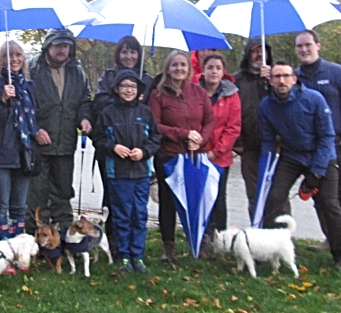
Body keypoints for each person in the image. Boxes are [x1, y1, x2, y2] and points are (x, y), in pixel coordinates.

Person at [259, 61, 341, 271]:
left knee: (330, 204)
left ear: (294, 78)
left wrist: (316, 173)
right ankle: (266, 248)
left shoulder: (314, 99)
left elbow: (327, 136)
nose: (281, 81)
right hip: (292, 156)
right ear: (271, 80)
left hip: (322, 155)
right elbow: (268, 141)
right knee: (274, 196)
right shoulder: (266, 105)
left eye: (285, 76)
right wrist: (266, 167)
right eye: (277, 77)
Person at [91, 70, 161, 274]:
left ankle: (137, 255)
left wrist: (144, 152)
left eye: (132, 86)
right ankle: (123, 255)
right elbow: (98, 138)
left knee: (139, 215)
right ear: (116, 89)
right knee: (122, 215)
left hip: (141, 172)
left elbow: (156, 138)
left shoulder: (145, 112)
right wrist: (113, 148)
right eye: (124, 86)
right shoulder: (108, 113)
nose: (128, 90)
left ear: (139, 90)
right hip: (118, 173)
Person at [148, 50, 215, 263]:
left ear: (189, 68)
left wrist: (201, 139)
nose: (179, 69)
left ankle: (199, 243)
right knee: (168, 202)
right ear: (167, 68)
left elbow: (210, 121)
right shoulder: (157, 95)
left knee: (197, 199)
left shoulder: (199, 92)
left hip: (195, 155)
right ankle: (168, 246)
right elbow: (155, 125)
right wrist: (183, 134)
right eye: (174, 65)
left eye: (183, 65)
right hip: (169, 156)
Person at [294, 30, 341, 254]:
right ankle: (330, 238)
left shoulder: (337, 72)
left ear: (318, 46)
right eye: (299, 46)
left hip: (340, 143)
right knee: (319, 194)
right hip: (312, 148)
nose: (304, 50)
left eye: (308, 45)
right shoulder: (295, 77)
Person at [25, 28, 92, 233]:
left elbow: (85, 99)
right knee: (38, 194)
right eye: (58, 45)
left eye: (66, 45)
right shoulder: (32, 69)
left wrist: (85, 117)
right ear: (48, 46)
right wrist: (34, 129)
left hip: (66, 142)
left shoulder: (76, 71)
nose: (62, 49)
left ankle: (64, 238)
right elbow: (23, 104)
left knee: (63, 193)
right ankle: (38, 239)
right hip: (39, 144)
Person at [0, 41, 39, 247]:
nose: (15, 59)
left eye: (18, 55)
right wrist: (2, 100)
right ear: (1, 59)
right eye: (9, 56)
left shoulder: (29, 86)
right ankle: (1, 250)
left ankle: (17, 250)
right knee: (1, 205)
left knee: (19, 206)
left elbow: (34, 117)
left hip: (23, 153)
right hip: (0, 153)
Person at [198, 54, 241, 255]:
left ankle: (222, 238)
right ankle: (202, 237)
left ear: (223, 71)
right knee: (200, 197)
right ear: (203, 70)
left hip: (220, 157)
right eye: (210, 67)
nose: (213, 72)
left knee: (218, 198)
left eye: (218, 68)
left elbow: (233, 127)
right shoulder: (194, 91)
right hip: (197, 153)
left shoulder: (231, 95)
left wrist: (217, 151)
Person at [233, 38, 275, 220]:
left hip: (275, 146)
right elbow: (232, 113)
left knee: (276, 193)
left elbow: (286, 105)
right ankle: (258, 233)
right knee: (254, 193)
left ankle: (280, 236)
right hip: (249, 147)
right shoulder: (237, 80)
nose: (259, 55)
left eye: (263, 51)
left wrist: (271, 82)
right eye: (255, 51)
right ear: (248, 54)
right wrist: (237, 142)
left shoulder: (277, 77)